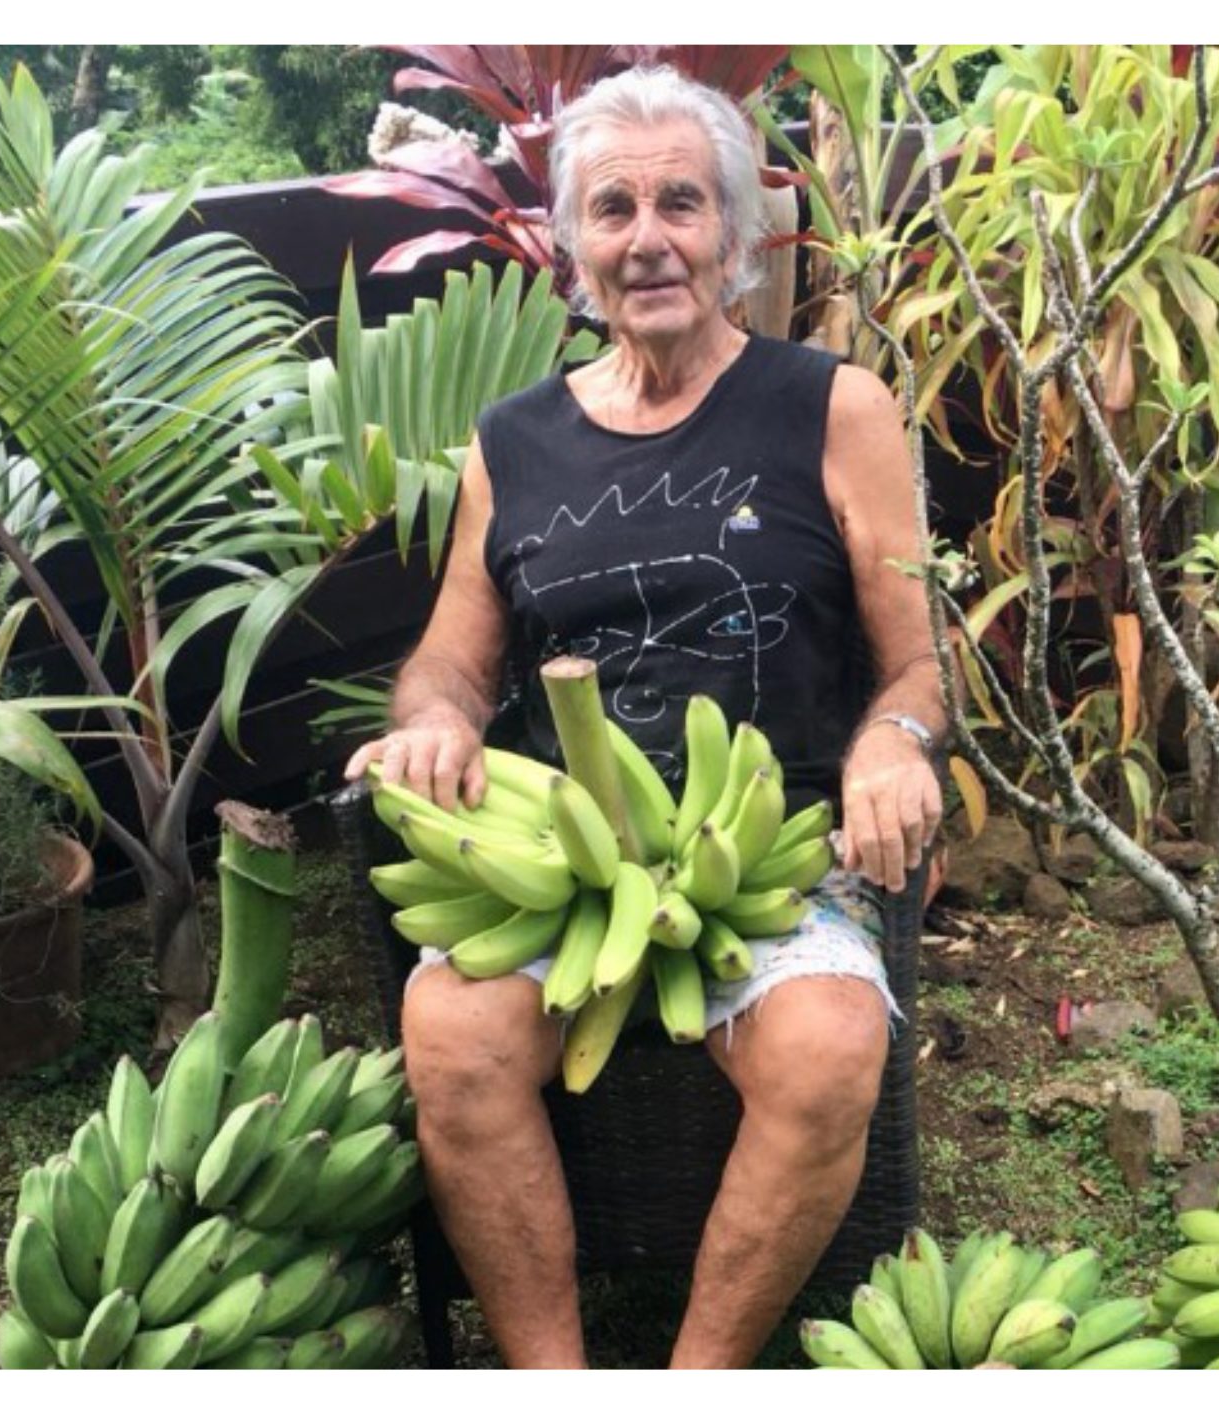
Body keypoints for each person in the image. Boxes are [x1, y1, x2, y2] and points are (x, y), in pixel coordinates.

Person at [344, 64, 945, 1368]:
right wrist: (436, 719)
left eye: (682, 202)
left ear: (733, 237)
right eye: (612, 208)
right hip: (570, 856)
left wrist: (895, 739)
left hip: (773, 850)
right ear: (575, 245)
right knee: (449, 1031)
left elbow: (915, 664)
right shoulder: (513, 442)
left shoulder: (833, 408)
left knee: (831, 1043)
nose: (648, 237)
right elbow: (450, 660)